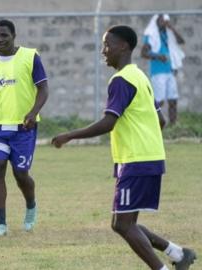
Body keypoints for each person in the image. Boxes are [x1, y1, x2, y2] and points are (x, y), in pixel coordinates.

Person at [52, 25, 196, 270]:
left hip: (136, 160)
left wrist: (69, 135)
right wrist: (143, 139)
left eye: (107, 45)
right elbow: (159, 120)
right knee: (125, 222)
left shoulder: (121, 81)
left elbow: (109, 121)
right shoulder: (140, 76)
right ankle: (179, 254)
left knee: (123, 225)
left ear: (124, 47)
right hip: (147, 157)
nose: (103, 50)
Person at [0, 19, 49, 237]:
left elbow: (43, 89)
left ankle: (31, 205)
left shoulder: (30, 57)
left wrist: (32, 113)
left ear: (14, 36)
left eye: (4, 35)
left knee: (21, 174)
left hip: (23, 127)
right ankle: (1, 224)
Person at [141, 14, 185, 125]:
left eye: (165, 20)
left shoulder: (168, 34)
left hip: (170, 71)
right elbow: (143, 53)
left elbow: (181, 41)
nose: (163, 22)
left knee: (173, 99)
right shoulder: (150, 34)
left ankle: (173, 124)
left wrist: (171, 27)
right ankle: (151, 122)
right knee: (159, 101)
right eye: (161, 20)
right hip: (158, 72)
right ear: (156, 21)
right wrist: (158, 56)